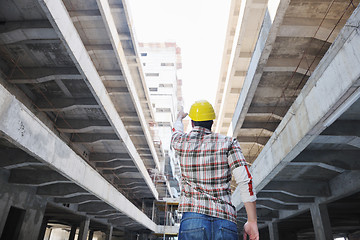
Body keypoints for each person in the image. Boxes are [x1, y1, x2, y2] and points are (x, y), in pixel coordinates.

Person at [171, 100, 259, 240]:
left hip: (192, 220)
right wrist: (252, 221)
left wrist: (179, 117)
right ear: (212, 122)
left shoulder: (181, 142)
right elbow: (244, 180)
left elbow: (176, 130)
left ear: (193, 123)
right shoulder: (229, 142)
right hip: (225, 220)